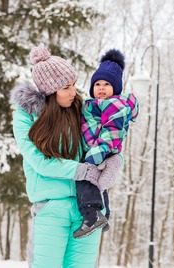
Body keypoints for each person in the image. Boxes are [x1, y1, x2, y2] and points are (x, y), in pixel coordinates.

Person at [10, 44, 123, 268]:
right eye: (66, 88)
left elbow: (110, 139)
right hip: (51, 207)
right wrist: (82, 170)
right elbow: (40, 162)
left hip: (89, 210)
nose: (74, 92)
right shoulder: (26, 117)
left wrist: (116, 160)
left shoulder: (83, 110)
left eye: (73, 85)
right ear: (50, 91)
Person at [73, 49, 139, 239]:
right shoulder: (93, 104)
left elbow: (113, 132)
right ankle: (105, 213)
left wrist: (99, 150)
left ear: (116, 88)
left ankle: (92, 214)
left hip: (102, 150)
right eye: (98, 84)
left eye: (107, 84)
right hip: (95, 149)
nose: (101, 88)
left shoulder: (115, 105)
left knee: (85, 177)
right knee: (98, 183)